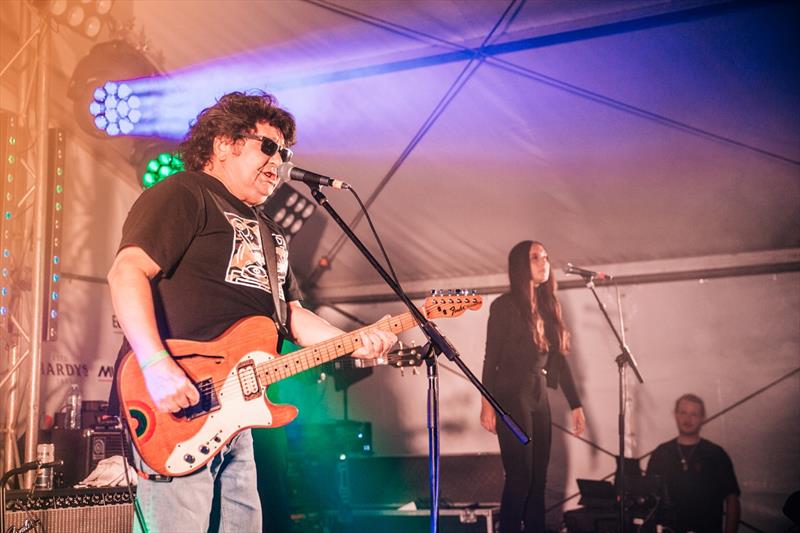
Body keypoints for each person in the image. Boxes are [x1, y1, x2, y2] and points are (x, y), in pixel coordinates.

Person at [106, 91, 396, 532]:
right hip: (178, 407)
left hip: (236, 422)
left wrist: (355, 340)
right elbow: (126, 273)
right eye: (269, 147)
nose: (278, 163)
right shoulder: (185, 192)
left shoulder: (271, 232)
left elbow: (292, 317)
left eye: (285, 153)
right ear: (225, 143)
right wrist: (156, 365)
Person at [480, 240, 586, 533]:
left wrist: (576, 404)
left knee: (539, 480)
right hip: (511, 395)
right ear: (520, 265)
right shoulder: (504, 306)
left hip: (539, 395)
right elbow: (491, 358)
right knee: (520, 477)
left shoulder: (550, 305)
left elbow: (559, 361)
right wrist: (487, 404)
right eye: (536, 257)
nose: (544, 262)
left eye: (546, 257)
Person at [646, 393, 741, 533]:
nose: (687, 419)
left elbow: (732, 499)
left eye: (694, 414)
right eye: (683, 412)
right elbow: (649, 500)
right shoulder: (661, 453)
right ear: (675, 414)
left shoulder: (716, 454)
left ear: (703, 418)